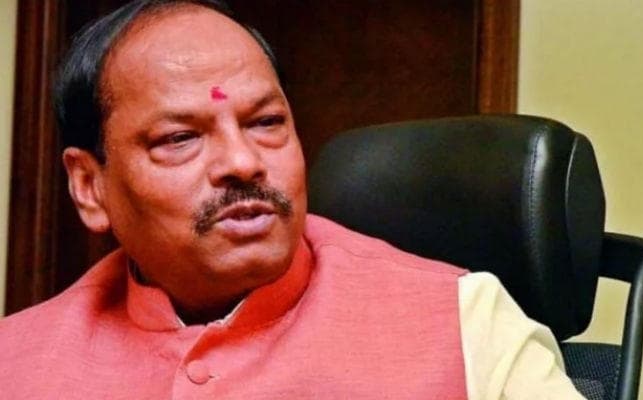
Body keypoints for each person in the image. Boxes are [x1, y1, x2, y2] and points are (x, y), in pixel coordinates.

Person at [0, 1, 585, 399]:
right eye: (179, 138)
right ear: (90, 186)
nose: (243, 161)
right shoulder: (15, 362)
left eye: (266, 122)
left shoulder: (466, 321)